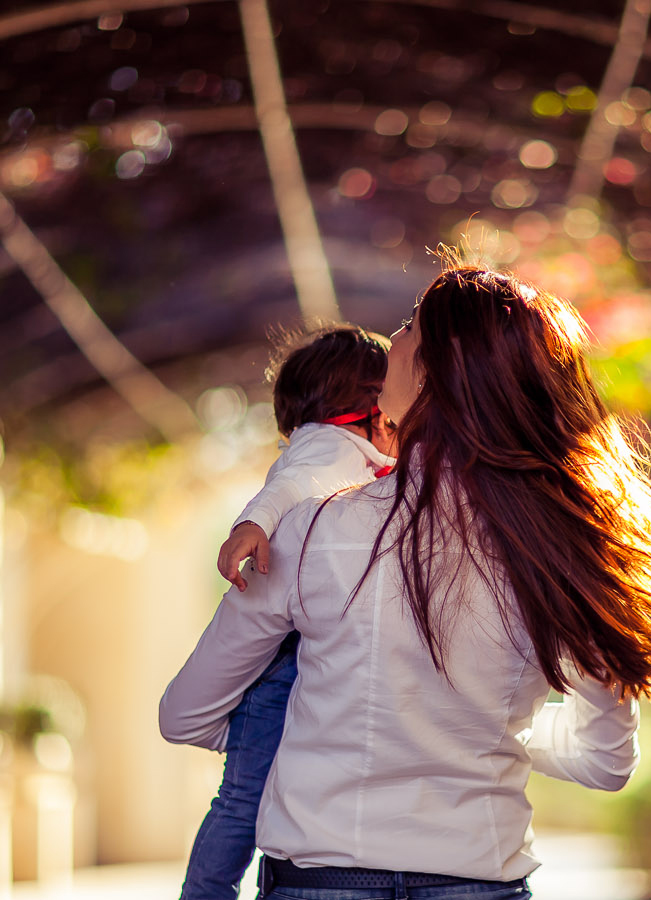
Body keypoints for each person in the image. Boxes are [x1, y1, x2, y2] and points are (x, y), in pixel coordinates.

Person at [160, 261, 651, 900]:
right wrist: (483, 723)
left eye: (410, 326)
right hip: (479, 881)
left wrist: (317, 723)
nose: (393, 338)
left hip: (321, 880)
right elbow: (605, 762)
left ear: (433, 370)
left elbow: (185, 715)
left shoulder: (311, 533)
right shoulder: (557, 551)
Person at [182, 326, 397, 900]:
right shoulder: (327, 446)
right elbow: (291, 484)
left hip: (298, 658)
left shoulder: (354, 450)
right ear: (371, 401)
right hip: (283, 663)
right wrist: (252, 523)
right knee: (244, 798)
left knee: (253, 795)